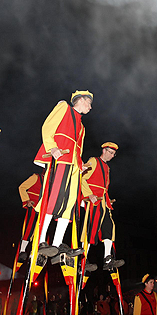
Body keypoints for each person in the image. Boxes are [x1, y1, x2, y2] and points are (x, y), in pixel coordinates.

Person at [33, 91, 93, 259]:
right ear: (80, 99)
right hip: (59, 161)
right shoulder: (64, 107)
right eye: (88, 102)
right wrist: (52, 147)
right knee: (52, 199)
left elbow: (78, 149)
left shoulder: (82, 127)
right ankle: (40, 241)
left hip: (73, 167)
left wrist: (81, 165)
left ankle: (57, 244)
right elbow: (47, 127)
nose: (90, 107)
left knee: (68, 204)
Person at [81, 141, 124, 270]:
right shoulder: (94, 161)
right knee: (91, 229)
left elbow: (103, 188)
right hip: (94, 202)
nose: (111, 156)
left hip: (104, 203)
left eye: (114, 154)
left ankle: (107, 258)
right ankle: (83, 259)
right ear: (104, 150)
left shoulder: (107, 168)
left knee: (108, 228)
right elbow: (82, 177)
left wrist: (108, 200)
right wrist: (89, 195)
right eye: (110, 153)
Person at [17, 170, 44, 262]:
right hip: (33, 205)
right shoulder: (36, 177)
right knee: (29, 228)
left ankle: (38, 251)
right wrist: (26, 200)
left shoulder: (51, 181)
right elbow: (22, 187)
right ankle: (22, 251)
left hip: (43, 209)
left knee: (41, 229)